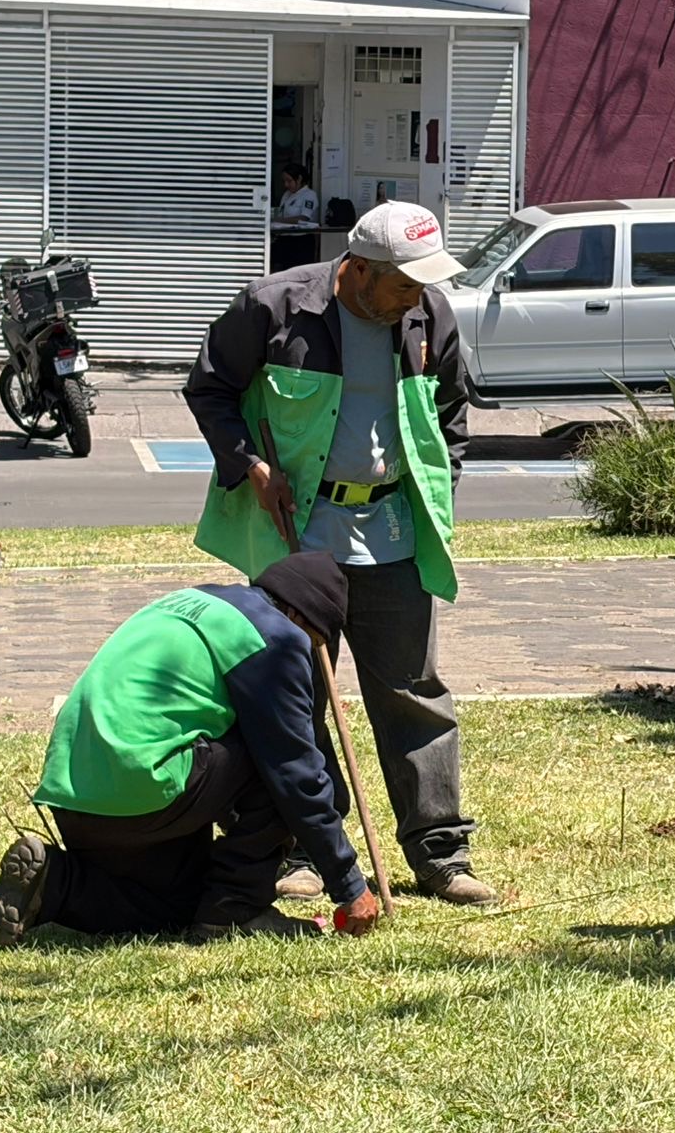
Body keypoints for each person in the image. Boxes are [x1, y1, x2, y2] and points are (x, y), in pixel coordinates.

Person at [183, 201, 496, 907]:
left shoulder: (429, 317)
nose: (417, 298)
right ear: (359, 271)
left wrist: (442, 476)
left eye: (422, 286)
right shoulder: (274, 308)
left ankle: (440, 854)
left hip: (391, 533)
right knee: (296, 698)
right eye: (404, 285)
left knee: (414, 692)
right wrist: (250, 466)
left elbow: (452, 414)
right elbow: (210, 389)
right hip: (300, 539)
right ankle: (296, 849)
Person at [0, 552, 382, 946]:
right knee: (275, 758)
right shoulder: (277, 637)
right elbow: (296, 774)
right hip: (146, 789)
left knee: (178, 906)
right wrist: (348, 884)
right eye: (316, 647)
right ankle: (235, 910)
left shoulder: (192, 600)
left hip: (76, 794)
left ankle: (56, 882)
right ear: (300, 618)